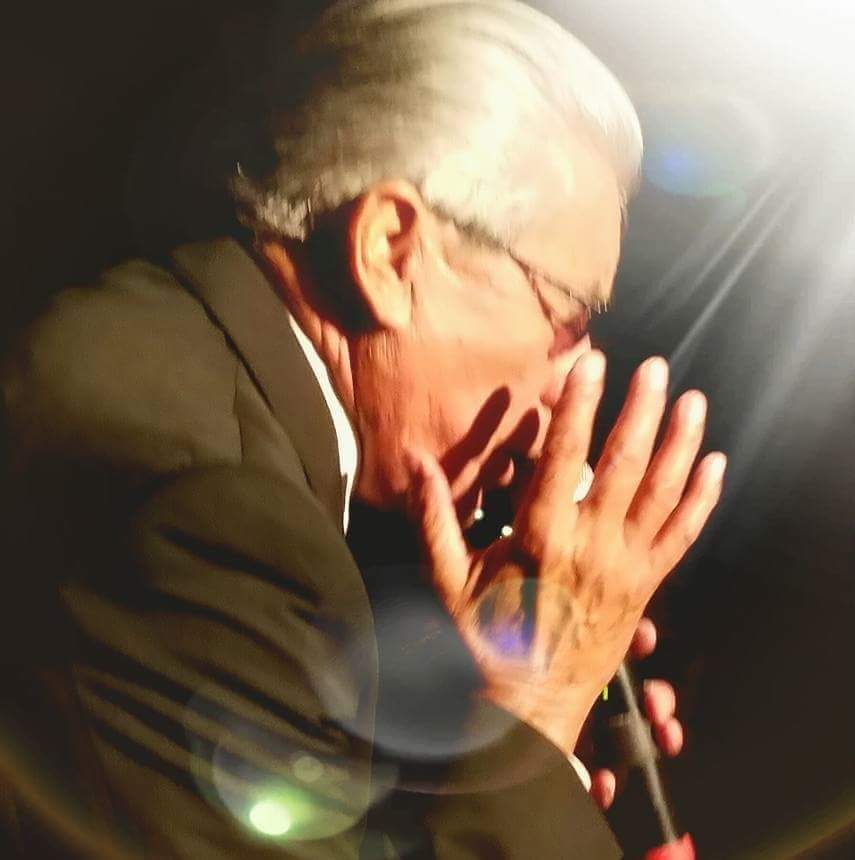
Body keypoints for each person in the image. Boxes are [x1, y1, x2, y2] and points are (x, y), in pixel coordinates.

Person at [0, 0, 724, 856]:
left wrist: (492, 735)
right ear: (390, 250)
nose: (570, 389)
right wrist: (533, 714)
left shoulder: (200, 396)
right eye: (567, 320)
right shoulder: (192, 502)